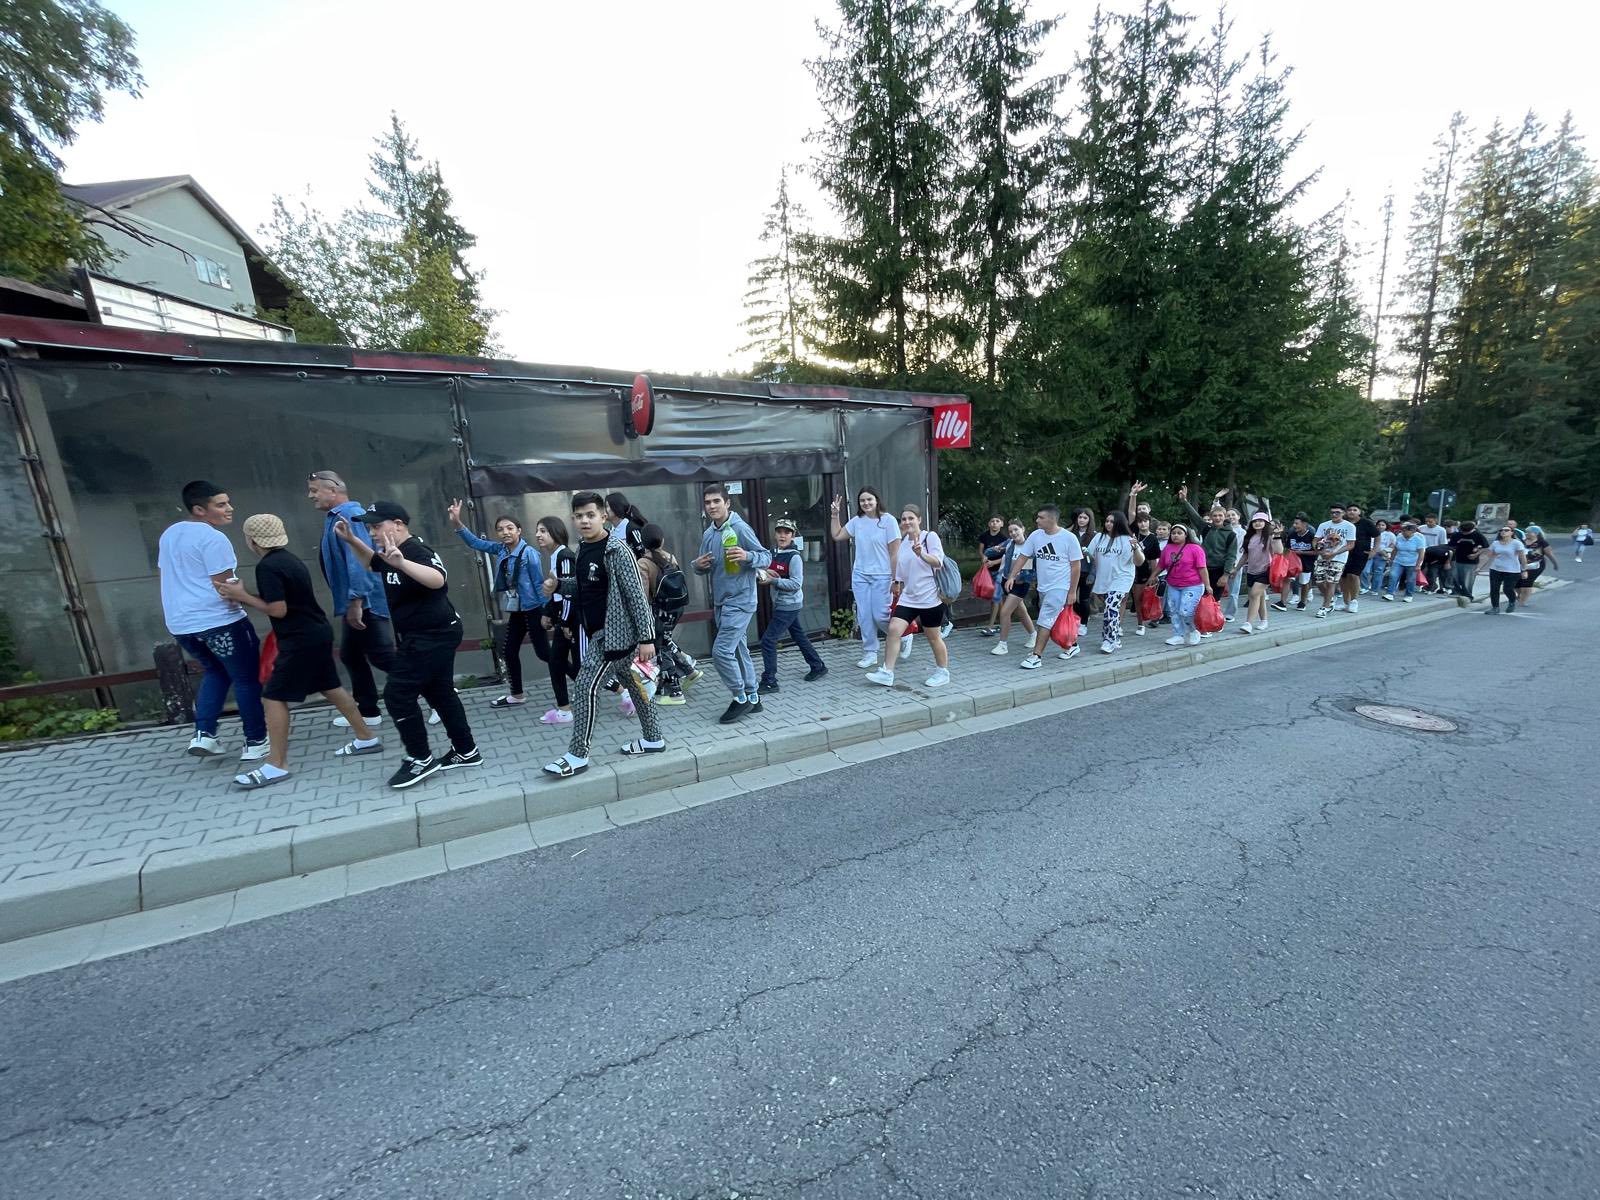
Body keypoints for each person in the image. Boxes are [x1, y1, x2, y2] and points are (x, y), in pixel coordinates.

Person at [217, 514, 381, 789]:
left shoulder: (267, 567)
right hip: (317, 632)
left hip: (299, 639)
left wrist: (241, 596)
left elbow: (278, 609)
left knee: (272, 696)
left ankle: (276, 764)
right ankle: (366, 737)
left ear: (252, 540)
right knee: (330, 686)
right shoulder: (290, 559)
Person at [334, 502, 480, 789]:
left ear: (398, 524)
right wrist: (351, 539)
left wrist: (401, 563)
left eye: (377, 526)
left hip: (434, 635)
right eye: (369, 528)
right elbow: (372, 564)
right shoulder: (391, 552)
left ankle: (420, 758)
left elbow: (438, 579)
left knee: (397, 694)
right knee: (440, 693)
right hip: (423, 634)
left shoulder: (415, 550)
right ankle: (466, 751)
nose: (372, 532)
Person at [542, 492, 662, 777]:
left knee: (585, 687)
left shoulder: (617, 550)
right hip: (598, 631)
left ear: (603, 517)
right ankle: (653, 739)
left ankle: (577, 755)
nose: (585, 520)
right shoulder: (583, 548)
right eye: (579, 516)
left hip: (615, 636)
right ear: (573, 519)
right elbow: (585, 588)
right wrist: (559, 586)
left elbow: (636, 596)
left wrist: (647, 638)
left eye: (590, 515)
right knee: (634, 686)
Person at [159, 480, 268, 761]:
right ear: (199, 509)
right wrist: (244, 599)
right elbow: (225, 586)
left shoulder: (170, 534)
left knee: (215, 671)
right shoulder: (213, 538)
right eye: (221, 505)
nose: (229, 508)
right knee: (246, 679)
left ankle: (204, 734)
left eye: (228, 502)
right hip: (219, 621)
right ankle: (256, 740)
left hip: (181, 624)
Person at [308, 470, 400, 730]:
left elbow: (359, 559)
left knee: (382, 655)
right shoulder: (335, 517)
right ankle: (368, 710)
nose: (310, 496)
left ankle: (438, 691)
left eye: (314, 490)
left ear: (333, 490)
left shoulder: (350, 516)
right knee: (351, 654)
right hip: (355, 600)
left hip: (365, 600)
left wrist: (357, 601)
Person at [446, 500, 542, 709]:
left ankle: (591, 683)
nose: (505, 532)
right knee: (509, 651)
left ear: (519, 530)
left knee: (545, 653)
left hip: (535, 609)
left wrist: (547, 613)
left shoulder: (529, 554)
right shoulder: (502, 550)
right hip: (518, 610)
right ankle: (517, 695)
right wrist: (457, 523)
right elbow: (476, 543)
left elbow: (538, 584)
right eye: (500, 529)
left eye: (510, 528)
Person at [694, 483, 774, 724]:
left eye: (716, 501)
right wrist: (698, 565)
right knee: (739, 650)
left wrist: (747, 556)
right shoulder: (709, 534)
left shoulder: (740, 528)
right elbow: (701, 567)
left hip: (741, 601)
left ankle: (740, 697)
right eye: (708, 502)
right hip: (721, 602)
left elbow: (766, 557)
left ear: (727, 503)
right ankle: (753, 696)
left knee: (721, 652)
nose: (711, 506)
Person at [866, 505, 951, 688]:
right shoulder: (904, 543)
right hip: (909, 598)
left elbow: (938, 562)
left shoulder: (930, 537)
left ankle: (942, 672)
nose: (907, 522)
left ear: (919, 520)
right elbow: (902, 568)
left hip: (929, 599)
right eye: (904, 519)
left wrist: (922, 554)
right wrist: (896, 581)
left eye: (911, 518)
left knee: (933, 637)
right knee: (894, 629)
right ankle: (887, 672)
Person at [830, 488, 903, 669]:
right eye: (862, 500)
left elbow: (895, 553)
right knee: (864, 616)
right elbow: (837, 535)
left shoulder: (888, 521)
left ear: (877, 500)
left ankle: (902, 634)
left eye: (869, 499)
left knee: (880, 615)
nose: (866, 503)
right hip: (860, 575)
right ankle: (870, 652)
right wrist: (835, 515)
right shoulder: (857, 521)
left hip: (883, 575)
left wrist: (896, 579)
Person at [1004, 504, 1083, 670]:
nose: (1037, 520)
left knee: (1045, 620)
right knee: (1054, 619)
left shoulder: (1069, 538)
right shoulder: (1035, 536)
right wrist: (1012, 576)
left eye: (1041, 517)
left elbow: (1076, 567)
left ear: (1052, 519)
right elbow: (1023, 557)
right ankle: (1072, 644)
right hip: (1043, 587)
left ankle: (1036, 656)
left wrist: (1072, 592)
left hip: (1060, 587)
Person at [758, 518, 828, 693]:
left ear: (793, 536)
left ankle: (770, 681)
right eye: (779, 532)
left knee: (768, 640)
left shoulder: (794, 557)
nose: (782, 536)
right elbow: (762, 569)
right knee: (798, 635)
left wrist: (773, 581)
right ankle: (818, 666)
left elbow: (796, 584)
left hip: (789, 605)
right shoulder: (772, 553)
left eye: (787, 532)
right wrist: (764, 572)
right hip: (780, 603)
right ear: (775, 534)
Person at [638, 523, 696, 706]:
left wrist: (643, 616)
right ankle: (689, 670)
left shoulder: (643, 563)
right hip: (676, 608)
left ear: (643, 542)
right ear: (662, 540)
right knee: (666, 641)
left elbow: (643, 594)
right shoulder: (670, 557)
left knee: (662, 647)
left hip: (660, 610)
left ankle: (675, 692)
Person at [535, 516, 580, 725]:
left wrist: (565, 622)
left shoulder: (564, 556)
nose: (538, 535)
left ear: (555, 532)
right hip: (565, 618)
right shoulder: (555, 556)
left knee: (577, 665)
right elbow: (557, 594)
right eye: (537, 531)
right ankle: (564, 709)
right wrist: (548, 612)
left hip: (572, 620)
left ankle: (624, 692)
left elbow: (569, 592)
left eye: (543, 531)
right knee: (557, 661)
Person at [1086, 512, 1144, 654]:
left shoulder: (1128, 539)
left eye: (1112, 521)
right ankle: (1115, 637)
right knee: (1111, 609)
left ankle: (1109, 640)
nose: (1108, 524)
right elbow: (1090, 554)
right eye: (1107, 521)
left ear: (1119, 523)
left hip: (1121, 579)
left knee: (1110, 607)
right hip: (1103, 579)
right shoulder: (1099, 537)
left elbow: (1139, 561)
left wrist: (1136, 548)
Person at [1178, 486, 1238, 613]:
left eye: (1220, 515)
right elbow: (1194, 516)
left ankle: (1214, 621)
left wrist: (1225, 575)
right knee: (1201, 597)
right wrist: (1184, 501)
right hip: (1203, 569)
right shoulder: (1206, 529)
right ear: (1211, 517)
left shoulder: (1231, 535)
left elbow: (1231, 556)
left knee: (1214, 599)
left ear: (1225, 517)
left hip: (1219, 570)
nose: (1217, 518)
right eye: (1215, 516)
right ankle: (1201, 620)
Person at [989, 519, 1038, 654]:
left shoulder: (1029, 547)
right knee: (1021, 612)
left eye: (1016, 529)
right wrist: (995, 549)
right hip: (1006, 581)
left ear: (1023, 529)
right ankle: (1033, 635)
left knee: (1005, 612)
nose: (1013, 533)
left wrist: (1016, 578)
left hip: (1020, 584)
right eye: (1010, 531)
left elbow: (1027, 571)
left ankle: (1003, 645)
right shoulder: (1010, 543)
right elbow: (992, 551)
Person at [1157, 524, 1209, 646]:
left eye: (1179, 533)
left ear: (1186, 535)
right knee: (1174, 611)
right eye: (1173, 533)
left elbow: (1202, 568)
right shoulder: (1167, 548)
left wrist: (1208, 585)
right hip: (1173, 585)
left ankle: (1193, 631)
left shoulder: (1195, 548)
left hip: (1193, 585)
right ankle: (1178, 635)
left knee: (1186, 611)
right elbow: (1161, 565)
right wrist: (1153, 576)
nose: (1175, 535)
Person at [1235, 513, 1280, 634]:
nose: (1257, 523)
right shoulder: (1250, 537)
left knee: (1254, 595)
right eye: (1255, 521)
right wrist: (1236, 569)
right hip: (1251, 571)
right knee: (1259, 596)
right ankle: (1264, 621)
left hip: (1266, 570)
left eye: (1261, 520)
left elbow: (1279, 551)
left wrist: (1277, 535)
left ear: (1266, 523)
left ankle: (1248, 623)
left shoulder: (1270, 537)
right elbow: (1245, 555)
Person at [1311, 504, 1356, 617]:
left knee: (1331, 582)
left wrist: (1334, 553)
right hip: (1323, 556)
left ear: (1343, 513)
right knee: (1319, 581)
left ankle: (1325, 607)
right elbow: (1315, 540)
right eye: (1332, 512)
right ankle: (1330, 599)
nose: (1334, 515)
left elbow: (1350, 544)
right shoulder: (1324, 525)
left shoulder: (1349, 526)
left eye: (1337, 512)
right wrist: (1319, 550)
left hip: (1339, 558)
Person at [1339, 503, 1377, 613]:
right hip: (1344, 552)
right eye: (1349, 510)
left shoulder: (1366, 523)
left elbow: (1377, 536)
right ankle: (1346, 602)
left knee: (1353, 575)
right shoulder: (1343, 522)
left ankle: (1354, 601)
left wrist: (1374, 551)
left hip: (1360, 553)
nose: (1352, 512)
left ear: (1359, 512)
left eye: (1354, 510)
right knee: (1343, 577)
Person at [976, 515, 1011, 636]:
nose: (994, 523)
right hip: (987, 571)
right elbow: (981, 550)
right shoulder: (984, 536)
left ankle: (990, 626)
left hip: (999, 571)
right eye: (992, 521)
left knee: (996, 597)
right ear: (989, 523)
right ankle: (1003, 622)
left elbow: (1006, 556)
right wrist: (983, 558)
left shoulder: (1004, 539)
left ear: (1001, 524)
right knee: (997, 598)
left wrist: (994, 562)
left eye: (997, 521)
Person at [1129, 513, 1161, 636]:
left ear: (1149, 522)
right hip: (1128, 568)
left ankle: (1141, 624)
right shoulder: (1132, 535)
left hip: (1143, 571)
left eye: (1145, 521)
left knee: (1139, 599)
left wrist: (1154, 575)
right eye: (1140, 521)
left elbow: (1153, 559)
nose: (1142, 524)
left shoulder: (1153, 538)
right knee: (1125, 598)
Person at [1483, 527, 1529, 614]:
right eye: (1501, 530)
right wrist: (1479, 567)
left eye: (1506, 530)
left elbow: (1522, 557)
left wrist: (1524, 570)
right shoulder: (1496, 543)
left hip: (1512, 570)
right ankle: (1495, 608)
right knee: (1494, 589)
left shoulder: (1516, 543)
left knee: (1507, 589)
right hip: (1496, 568)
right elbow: (1488, 556)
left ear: (1512, 533)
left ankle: (1512, 601)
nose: (1503, 532)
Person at [1277, 513, 1317, 611]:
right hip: (1292, 562)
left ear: (1304, 524)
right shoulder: (1292, 535)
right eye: (1294, 523)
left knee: (1304, 582)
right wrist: (1284, 560)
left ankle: (1302, 602)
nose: (1294, 526)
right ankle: (1282, 602)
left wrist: (1301, 552)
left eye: (1297, 523)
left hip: (1306, 563)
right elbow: (1287, 549)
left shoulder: (1312, 536)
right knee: (1287, 579)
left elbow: (1317, 551)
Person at [1384, 520, 1428, 602]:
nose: (1403, 532)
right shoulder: (1399, 537)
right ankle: (1390, 593)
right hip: (1399, 560)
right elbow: (1395, 549)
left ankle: (1409, 595)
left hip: (1412, 562)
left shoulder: (1419, 539)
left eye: (1405, 531)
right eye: (1402, 530)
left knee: (1410, 579)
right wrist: (1391, 559)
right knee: (1393, 575)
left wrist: (1418, 565)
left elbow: (1421, 553)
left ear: (1412, 531)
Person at [1068, 507, 1097, 621]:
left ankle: (1084, 623)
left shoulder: (1094, 536)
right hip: (1071, 571)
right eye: (1080, 517)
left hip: (1086, 571)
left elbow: (1096, 558)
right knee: (1070, 597)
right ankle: (1079, 617)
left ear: (1090, 520)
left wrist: (1092, 574)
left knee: (1084, 598)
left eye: (1085, 518)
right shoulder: (1071, 534)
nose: (1082, 520)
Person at [1447, 520, 1488, 597]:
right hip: (1457, 559)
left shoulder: (1478, 535)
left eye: (1467, 532)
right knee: (1455, 577)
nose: (1464, 533)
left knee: (1467, 580)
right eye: (1463, 532)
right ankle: (1456, 592)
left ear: (1472, 529)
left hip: (1471, 561)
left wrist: (1476, 554)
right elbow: (1451, 547)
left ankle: (1467, 595)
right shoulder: (1456, 535)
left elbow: (1485, 547)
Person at [1519, 526, 1557, 606]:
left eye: (1529, 532)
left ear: (1536, 533)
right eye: (1526, 532)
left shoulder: (1542, 543)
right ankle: (1520, 596)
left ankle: (1523, 601)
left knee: (1527, 582)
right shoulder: (1521, 542)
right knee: (1517, 583)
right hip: (1522, 565)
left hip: (1536, 566)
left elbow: (1550, 554)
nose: (1526, 534)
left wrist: (1555, 564)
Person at [605, 492, 648, 557]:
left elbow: (643, 553)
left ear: (616, 507)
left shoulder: (632, 529)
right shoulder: (609, 531)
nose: (604, 510)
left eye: (606, 506)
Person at [1418, 513, 1451, 594]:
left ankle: (1432, 586)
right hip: (1422, 551)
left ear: (1436, 521)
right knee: (1422, 570)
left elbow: (1443, 543)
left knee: (1432, 571)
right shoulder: (1421, 528)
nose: (1428, 523)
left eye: (1430, 522)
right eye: (1426, 521)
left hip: (1434, 553)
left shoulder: (1441, 530)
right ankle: (1425, 585)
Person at [1361, 519, 1394, 596]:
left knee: (1378, 572)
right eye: (1378, 525)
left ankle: (1375, 589)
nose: (1380, 526)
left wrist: (1386, 552)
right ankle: (1364, 587)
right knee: (1365, 570)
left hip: (1382, 555)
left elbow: (1393, 544)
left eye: (1383, 525)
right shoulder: (1371, 533)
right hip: (1370, 553)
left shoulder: (1390, 535)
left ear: (1386, 526)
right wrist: (1378, 551)